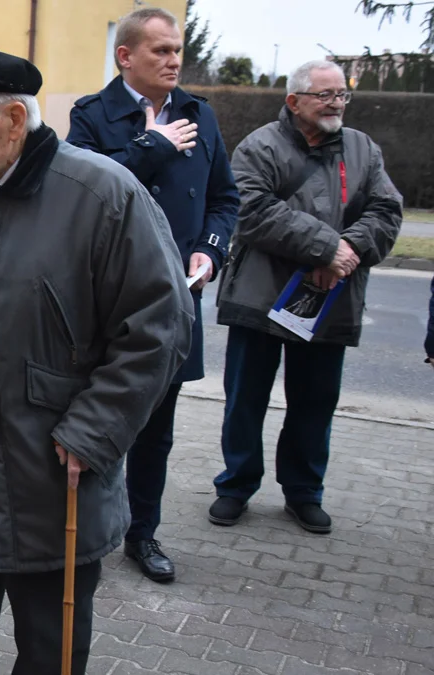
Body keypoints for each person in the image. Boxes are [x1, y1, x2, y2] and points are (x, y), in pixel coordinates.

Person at [0, 49, 193, 674]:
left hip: (53, 484)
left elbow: (159, 327)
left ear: (15, 121)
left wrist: (95, 429)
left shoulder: (102, 195)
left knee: (50, 656)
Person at [66, 7, 239, 583]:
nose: (174, 60)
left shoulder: (200, 116)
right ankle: (85, 531)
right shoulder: (91, 116)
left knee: (155, 430)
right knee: (98, 418)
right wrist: (151, 146)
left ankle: (142, 535)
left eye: (177, 50)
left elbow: (224, 199)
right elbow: (77, 192)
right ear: (125, 57)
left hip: (174, 301)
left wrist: (210, 250)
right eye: (160, 51)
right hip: (106, 299)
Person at [211, 59, 402, 534]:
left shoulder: (363, 149)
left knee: (315, 403)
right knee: (245, 401)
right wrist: (324, 246)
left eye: (341, 94)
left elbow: (386, 210)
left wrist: (349, 249)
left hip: (331, 297)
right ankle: (235, 486)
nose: (336, 103)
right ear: (294, 101)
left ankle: (303, 493)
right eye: (325, 95)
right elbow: (251, 210)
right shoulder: (259, 146)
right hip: (260, 296)